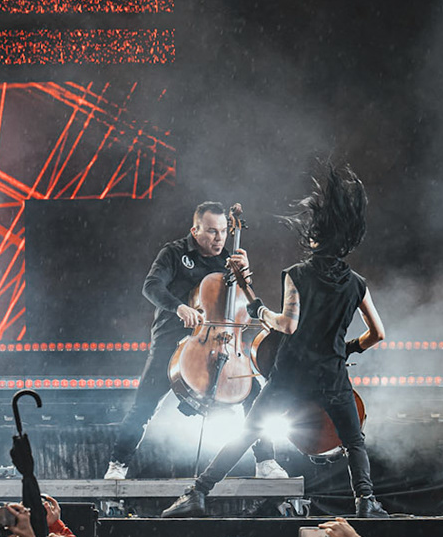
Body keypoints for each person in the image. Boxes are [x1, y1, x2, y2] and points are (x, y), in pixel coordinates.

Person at [165, 165, 387, 518]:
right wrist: (345, 350)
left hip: (292, 375)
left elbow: (286, 324)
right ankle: (367, 503)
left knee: (248, 433)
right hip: (332, 375)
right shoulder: (357, 283)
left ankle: (198, 493)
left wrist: (255, 305)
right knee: (354, 441)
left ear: (315, 236)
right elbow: (378, 334)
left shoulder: (297, 275)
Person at [105, 202, 284, 482]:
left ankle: (266, 461)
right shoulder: (174, 253)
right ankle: (117, 465)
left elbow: (243, 305)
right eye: (212, 231)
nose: (219, 238)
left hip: (220, 343)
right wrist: (179, 307)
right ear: (195, 230)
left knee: (255, 395)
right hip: (172, 340)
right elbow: (151, 286)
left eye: (224, 231)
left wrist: (244, 278)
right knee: (144, 405)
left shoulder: (227, 262)